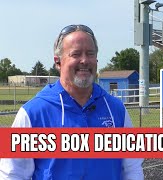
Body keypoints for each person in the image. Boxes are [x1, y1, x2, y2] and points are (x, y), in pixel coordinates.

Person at [0, 24, 144, 180]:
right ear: (58, 61)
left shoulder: (116, 110)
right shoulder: (33, 113)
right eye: (76, 54)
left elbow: (132, 169)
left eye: (90, 53)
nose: (84, 60)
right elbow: (13, 174)